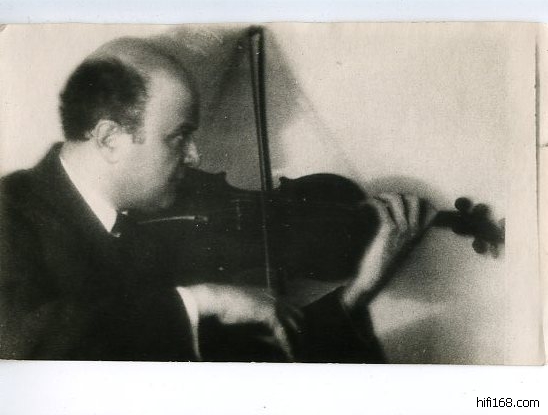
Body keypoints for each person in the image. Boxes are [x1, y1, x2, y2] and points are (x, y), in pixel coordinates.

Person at [0, 37, 436, 362]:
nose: (195, 156)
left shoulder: (145, 226)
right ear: (110, 139)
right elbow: (24, 346)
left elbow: (247, 365)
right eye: (179, 136)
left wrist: (359, 292)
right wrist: (205, 300)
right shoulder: (9, 214)